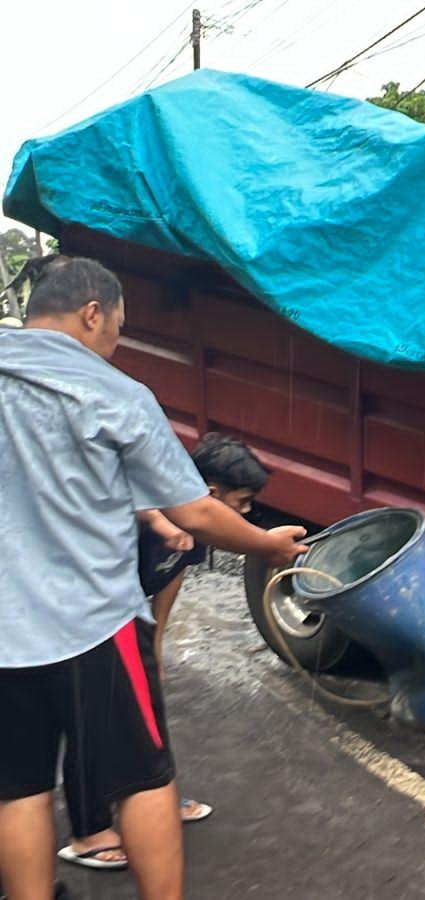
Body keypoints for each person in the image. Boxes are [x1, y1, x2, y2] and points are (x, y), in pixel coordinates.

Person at [0, 257, 307, 900]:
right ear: (91, 313)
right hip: (94, 623)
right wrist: (267, 545)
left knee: (19, 786)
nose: (116, 341)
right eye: (117, 327)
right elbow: (195, 510)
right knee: (142, 776)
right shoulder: (115, 392)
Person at [58, 434, 273, 872]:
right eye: (243, 501)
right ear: (211, 494)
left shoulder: (197, 533)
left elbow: (168, 585)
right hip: (83, 625)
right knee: (89, 719)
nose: (248, 511)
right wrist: (157, 519)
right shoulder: (145, 520)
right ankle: (87, 831)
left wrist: (154, 651)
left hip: (129, 626)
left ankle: (150, 794)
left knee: (148, 706)